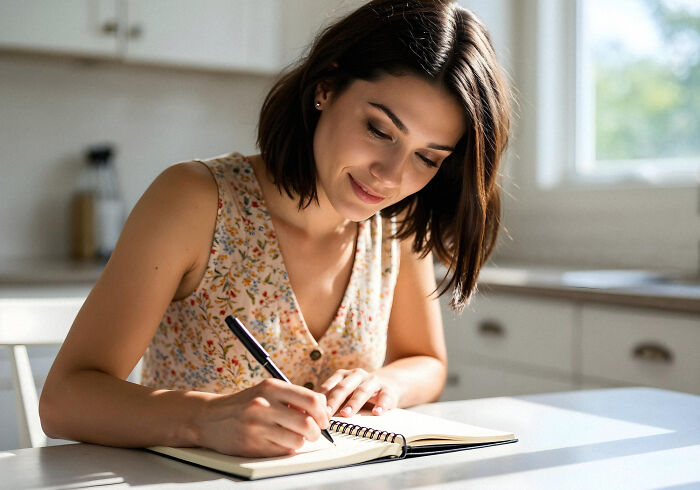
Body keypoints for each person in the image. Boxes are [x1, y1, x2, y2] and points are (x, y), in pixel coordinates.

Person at [40, 0, 511, 458]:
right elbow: (64, 400)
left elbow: (427, 363)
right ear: (326, 86)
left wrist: (385, 383)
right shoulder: (194, 201)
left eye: (427, 157)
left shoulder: (396, 227)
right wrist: (203, 418)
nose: (389, 175)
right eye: (379, 129)